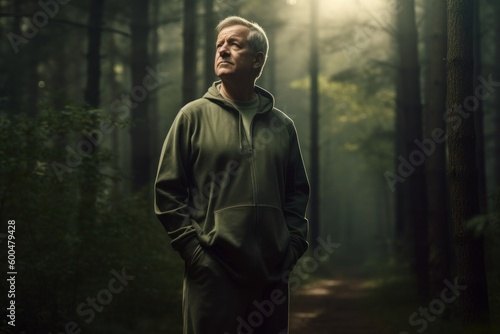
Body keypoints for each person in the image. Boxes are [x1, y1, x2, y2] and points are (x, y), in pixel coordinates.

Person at [154, 16, 310, 334]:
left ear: (257, 61)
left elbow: (297, 192)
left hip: (271, 273)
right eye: (219, 45)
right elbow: (168, 190)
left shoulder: (283, 126)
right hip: (212, 273)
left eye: (234, 44)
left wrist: (292, 247)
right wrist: (193, 252)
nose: (223, 50)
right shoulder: (192, 116)